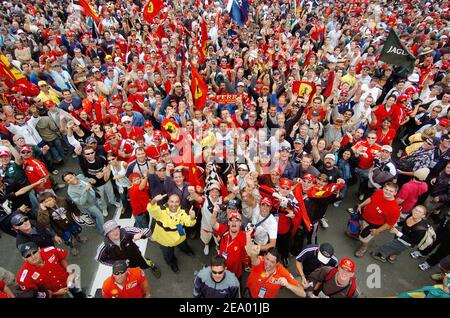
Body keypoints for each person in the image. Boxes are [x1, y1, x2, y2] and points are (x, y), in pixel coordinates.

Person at [147, 193, 196, 273]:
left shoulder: (182, 212)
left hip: (178, 231)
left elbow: (189, 223)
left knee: (183, 244)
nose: (174, 204)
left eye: (177, 202)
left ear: (179, 202)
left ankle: (186, 250)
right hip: (164, 237)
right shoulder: (160, 210)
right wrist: (154, 200)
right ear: (168, 202)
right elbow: (151, 208)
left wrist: (192, 217)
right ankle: (172, 263)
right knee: (168, 254)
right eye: (172, 201)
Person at [95, 220, 161, 278]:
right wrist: (115, 263)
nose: (115, 232)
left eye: (116, 228)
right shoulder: (104, 247)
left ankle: (152, 265)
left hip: (136, 256)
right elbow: (100, 259)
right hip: (124, 265)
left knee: (145, 264)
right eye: (111, 231)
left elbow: (147, 230)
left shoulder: (126, 231)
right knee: (132, 275)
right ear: (107, 234)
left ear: (119, 228)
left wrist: (141, 234)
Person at [16, 242, 84, 298]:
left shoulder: (50, 251)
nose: (33, 256)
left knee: (79, 293)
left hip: (69, 281)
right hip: (55, 295)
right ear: (24, 258)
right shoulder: (24, 278)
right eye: (28, 255)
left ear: (39, 249)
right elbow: (36, 294)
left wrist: (70, 273)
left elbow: (61, 258)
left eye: (34, 252)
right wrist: (56, 293)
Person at [352, 182, 401, 258]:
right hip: (364, 216)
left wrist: (377, 231)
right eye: (386, 189)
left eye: (391, 191)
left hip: (373, 225)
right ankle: (356, 235)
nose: (387, 192)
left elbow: (389, 224)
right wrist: (361, 205)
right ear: (383, 188)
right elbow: (371, 199)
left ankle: (364, 247)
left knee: (364, 239)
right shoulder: (379, 192)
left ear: (395, 193)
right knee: (358, 227)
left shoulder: (395, 209)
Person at [37, 192, 88, 256]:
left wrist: (77, 213)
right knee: (68, 239)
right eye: (46, 202)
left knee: (75, 230)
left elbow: (72, 205)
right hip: (60, 228)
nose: (49, 202)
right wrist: (44, 210)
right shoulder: (43, 211)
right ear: (42, 204)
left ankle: (78, 238)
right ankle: (72, 247)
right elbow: (44, 222)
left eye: (49, 200)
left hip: (71, 221)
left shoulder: (62, 200)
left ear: (53, 198)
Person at [210, 203, 248, 280]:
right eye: (231, 220)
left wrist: (249, 236)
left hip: (235, 272)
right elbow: (213, 223)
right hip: (221, 268)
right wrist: (215, 212)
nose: (234, 222)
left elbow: (250, 252)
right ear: (228, 223)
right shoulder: (224, 230)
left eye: (236, 220)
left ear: (240, 223)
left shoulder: (245, 237)